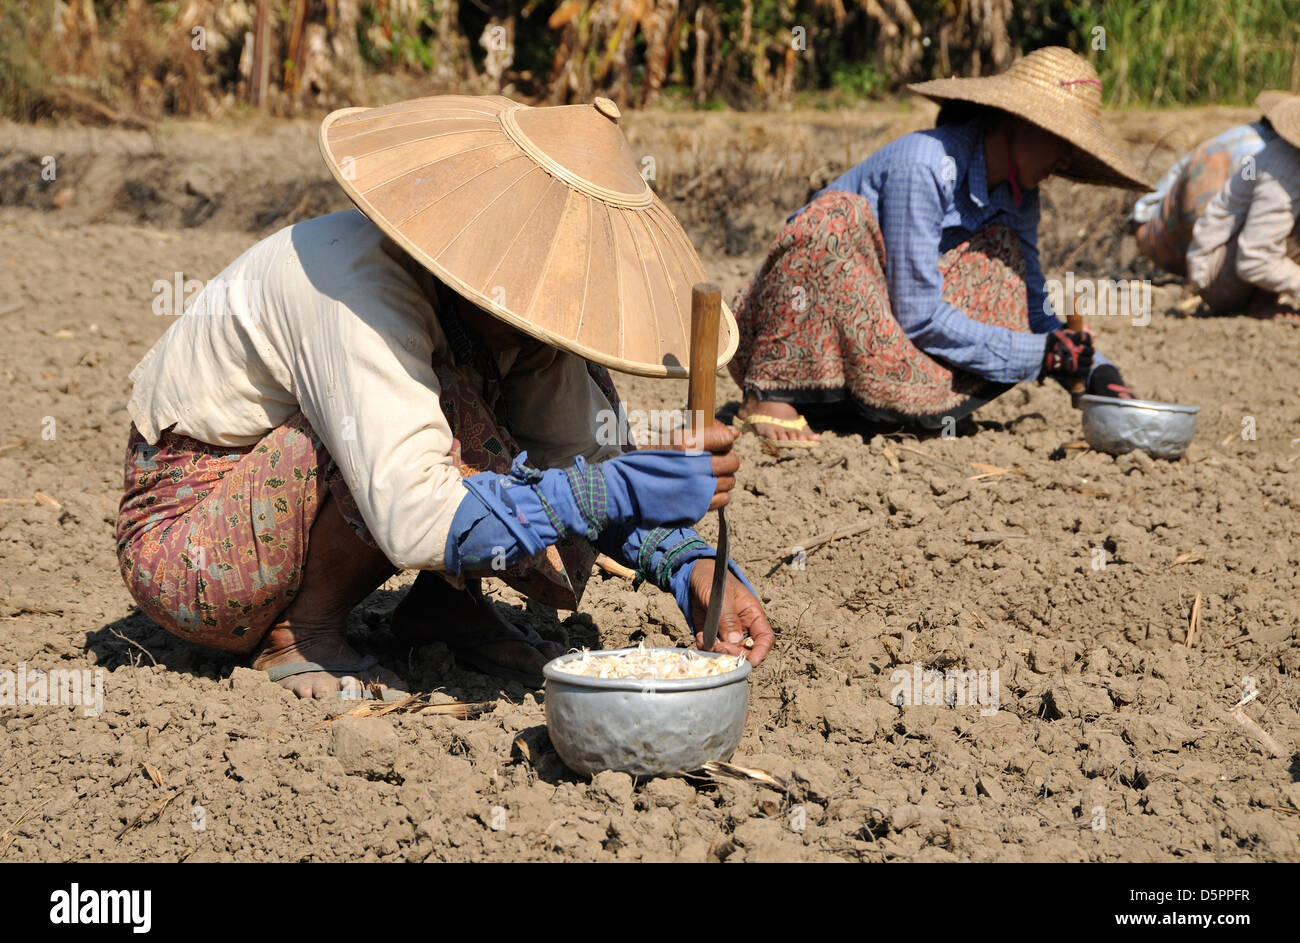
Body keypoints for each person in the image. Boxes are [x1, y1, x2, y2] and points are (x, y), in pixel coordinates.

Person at [115, 94, 774, 699]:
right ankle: (301, 632)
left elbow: (583, 460)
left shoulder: (515, 330)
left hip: (274, 510)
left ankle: (444, 605)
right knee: (430, 422)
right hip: (195, 552)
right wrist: (611, 489)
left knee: (534, 405)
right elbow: (413, 510)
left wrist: (691, 564)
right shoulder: (357, 287)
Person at [728, 47, 1151, 448]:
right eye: (1062, 143)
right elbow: (919, 314)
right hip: (808, 317)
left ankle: (871, 405)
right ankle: (771, 391)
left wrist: (1093, 367)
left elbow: (1032, 305)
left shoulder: (1020, 196)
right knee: (835, 220)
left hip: (881, 324)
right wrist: (1040, 357)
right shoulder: (927, 165)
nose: (1063, 162)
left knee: (1004, 254)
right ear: (1020, 123)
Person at [1131, 91, 1278, 276]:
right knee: (1212, 161)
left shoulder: (1263, 141)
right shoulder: (1258, 151)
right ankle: (1205, 272)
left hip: (1185, 231)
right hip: (1157, 230)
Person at [1186, 91, 1300, 319]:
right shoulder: (1285, 168)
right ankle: (1259, 304)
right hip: (1218, 276)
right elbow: (1254, 259)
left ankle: (1262, 302)